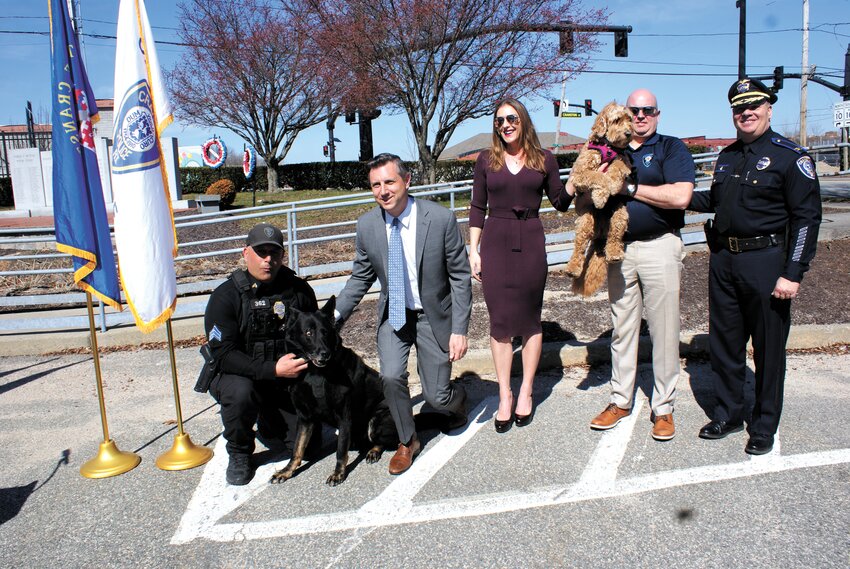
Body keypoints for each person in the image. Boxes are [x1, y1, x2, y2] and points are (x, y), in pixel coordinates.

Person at [689, 78, 821, 454]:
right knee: (725, 344)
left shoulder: (790, 157)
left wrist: (793, 272)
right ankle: (729, 413)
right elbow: (713, 199)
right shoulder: (728, 156)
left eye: (754, 106)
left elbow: (807, 219)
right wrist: (665, 197)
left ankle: (764, 425)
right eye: (738, 108)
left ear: (768, 109)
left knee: (768, 348)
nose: (745, 113)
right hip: (724, 261)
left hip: (767, 263)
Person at [335, 153, 472, 475]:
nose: (383, 190)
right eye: (376, 185)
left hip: (433, 316)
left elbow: (460, 276)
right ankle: (407, 441)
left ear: (407, 181)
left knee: (437, 398)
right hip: (394, 315)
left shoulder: (439, 219)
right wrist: (335, 315)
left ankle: (459, 398)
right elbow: (360, 276)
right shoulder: (368, 225)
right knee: (391, 376)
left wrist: (459, 329)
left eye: (389, 182)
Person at [585, 89, 695, 441]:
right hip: (619, 249)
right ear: (625, 115)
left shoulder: (670, 148)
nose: (642, 116)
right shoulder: (608, 150)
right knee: (623, 329)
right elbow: (587, 190)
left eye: (648, 110)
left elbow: (680, 197)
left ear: (658, 114)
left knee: (663, 331)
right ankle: (620, 400)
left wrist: (629, 188)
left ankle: (663, 408)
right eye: (635, 110)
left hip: (660, 246)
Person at [468, 97, 573, 433]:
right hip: (495, 241)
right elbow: (476, 207)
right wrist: (474, 250)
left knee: (529, 319)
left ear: (523, 121)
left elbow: (559, 202)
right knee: (499, 322)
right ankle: (504, 393)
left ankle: (526, 388)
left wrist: (576, 180)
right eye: (499, 121)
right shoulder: (487, 160)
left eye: (511, 118)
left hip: (530, 239)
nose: (506, 125)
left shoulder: (545, 159)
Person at [198, 223, 318, 485]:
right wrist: (272, 370)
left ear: (282, 256)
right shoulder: (226, 296)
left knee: (311, 448)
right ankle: (239, 452)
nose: (268, 260)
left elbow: (315, 337)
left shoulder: (298, 291)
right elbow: (224, 354)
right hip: (240, 376)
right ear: (245, 253)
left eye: (274, 253)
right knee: (240, 393)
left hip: (285, 381)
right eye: (261, 252)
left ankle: (269, 419)